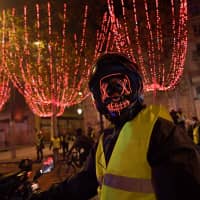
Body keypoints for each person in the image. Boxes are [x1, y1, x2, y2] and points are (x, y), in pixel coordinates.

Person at [31, 52, 200, 200]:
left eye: (120, 86)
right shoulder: (105, 140)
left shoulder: (162, 133)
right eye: (106, 89)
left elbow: (184, 191)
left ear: (136, 88)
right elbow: (82, 183)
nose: (115, 96)